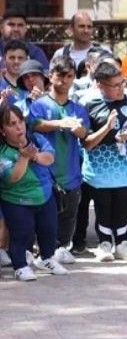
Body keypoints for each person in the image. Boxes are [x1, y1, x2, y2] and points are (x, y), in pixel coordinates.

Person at [28, 56, 91, 266]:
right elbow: (34, 124)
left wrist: (80, 130)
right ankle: (43, 252)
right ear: (50, 76)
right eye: (60, 75)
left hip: (71, 172)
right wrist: (59, 123)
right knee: (45, 218)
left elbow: (85, 134)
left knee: (69, 217)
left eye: (69, 76)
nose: (64, 80)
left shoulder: (79, 108)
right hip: (44, 173)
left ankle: (62, 248)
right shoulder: (39, 104)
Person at [81, 61, 127, 262]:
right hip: (99, 171)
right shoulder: (88, 104)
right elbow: (87, 143)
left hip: (123, 169)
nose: (120, 89)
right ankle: (105, 243)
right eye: (114, 85)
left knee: (123, 206)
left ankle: (123, 242)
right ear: (100, 85)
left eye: (122, 83)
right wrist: (107, 128)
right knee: (103, 206)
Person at [0, 101, 66, 280]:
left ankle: (46, 259)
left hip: (45, 195)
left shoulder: (36, 138)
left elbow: (50, 158)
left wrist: (34, 155)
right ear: (2, 130)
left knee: (49, 229)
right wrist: (23, 157)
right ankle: (20, 266)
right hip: (16, 200)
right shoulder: (2, 151)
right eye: (11, 124)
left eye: (20, 121)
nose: (18, 127)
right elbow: (13, 177)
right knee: (22, 233)